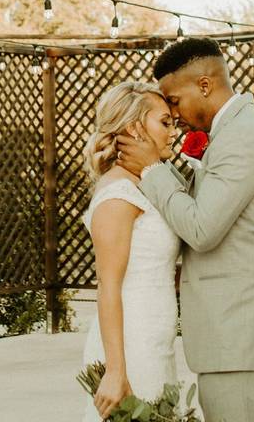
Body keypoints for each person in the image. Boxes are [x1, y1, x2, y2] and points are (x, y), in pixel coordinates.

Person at [116, 37, 254, 422]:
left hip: (242, 332)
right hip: (233, 334)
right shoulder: (231, 134)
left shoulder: (243, 137)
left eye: (174, 100)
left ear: (204, 85)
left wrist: (153, 170)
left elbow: (203, 228)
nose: (175, 113)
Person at [80, 81, 182, 420]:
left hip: (155, 340)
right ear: (134, 128)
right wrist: (115, 371)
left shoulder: (148, 183)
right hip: (131, 346)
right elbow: (108, 285)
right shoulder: (118, 194)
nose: (173, 132)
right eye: (164, 122)